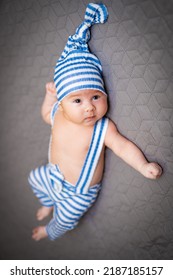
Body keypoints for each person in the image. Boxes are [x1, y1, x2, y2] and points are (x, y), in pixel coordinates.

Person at [28, 3, 162, 241]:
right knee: (34, 178)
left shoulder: (103, 128)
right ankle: (48, 202)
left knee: (66, 219)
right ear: (63, 101)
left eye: (96, 97)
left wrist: (143, 166)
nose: (89, 106)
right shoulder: (58, 112)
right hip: (54, 175)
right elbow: (45, 114)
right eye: (77, 100)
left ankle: (49, 230)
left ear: (104, 95)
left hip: (80, 192)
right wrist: (49, 97)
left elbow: (123, 147)